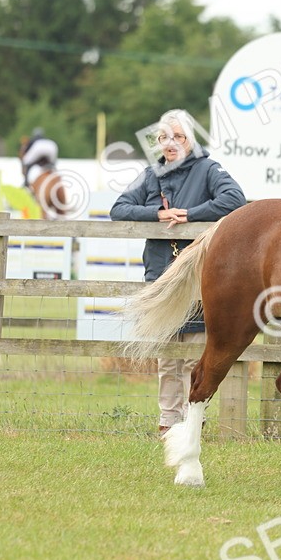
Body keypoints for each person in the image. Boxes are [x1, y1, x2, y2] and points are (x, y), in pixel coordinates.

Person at [109, 109, 247, 437]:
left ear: (190, 140)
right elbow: (119, 208)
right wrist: (157, 213)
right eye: (163, 138)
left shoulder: (208, 169)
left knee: (194, 354)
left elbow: (235, 199)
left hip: (199, 277)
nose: (170, 144)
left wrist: (192, 214)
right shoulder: (150, 175)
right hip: (160, 275)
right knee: (167, 357)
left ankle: (192, 420)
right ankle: (167, 422)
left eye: (178, 137)